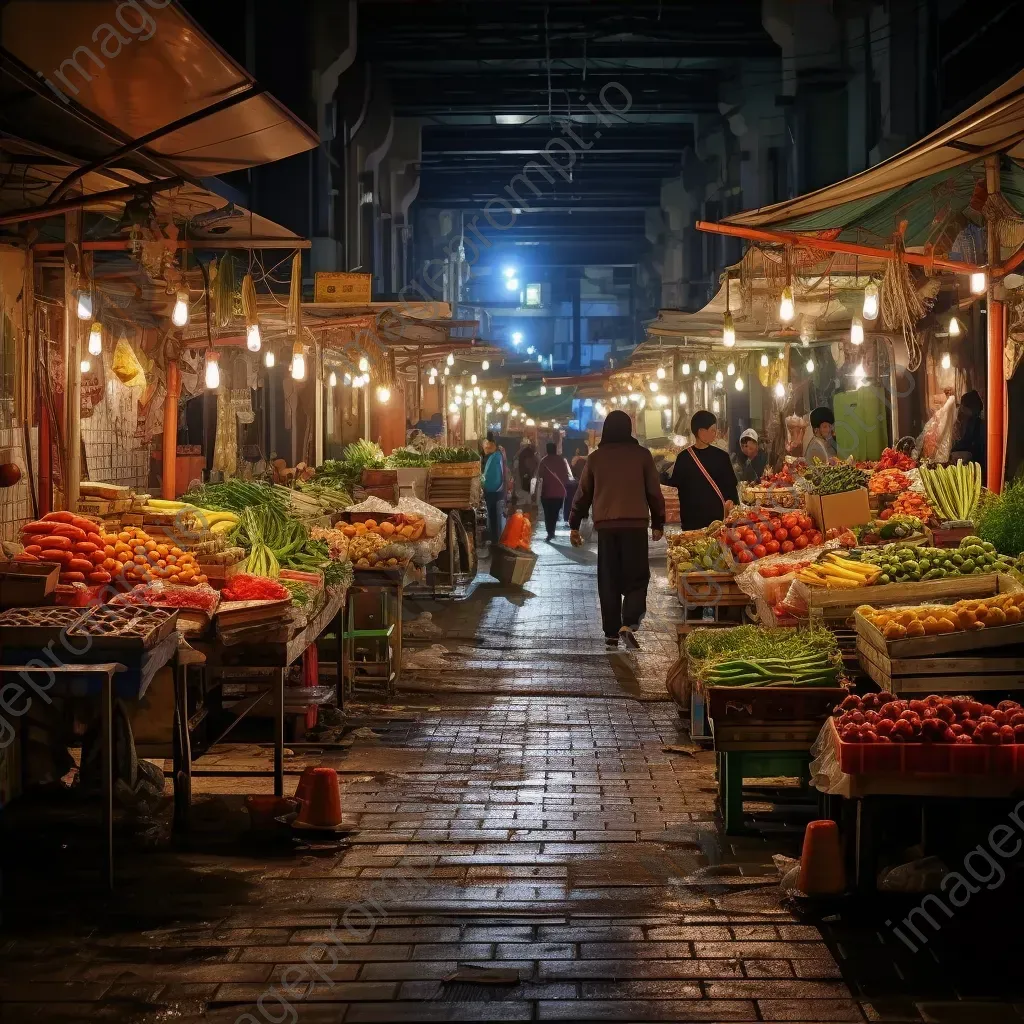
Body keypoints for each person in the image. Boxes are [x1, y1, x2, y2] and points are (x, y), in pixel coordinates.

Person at [569, 410, 665, 648]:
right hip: (635, 526)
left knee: (608, 579)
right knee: (637, 576)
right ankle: (628, 622)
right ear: (629, 429)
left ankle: (611, 632)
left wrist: (574, 523)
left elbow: (583, 494)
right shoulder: (642, 456)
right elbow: (654, 491)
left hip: (607, 527)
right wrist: (658, 522)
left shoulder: (596, 458)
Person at [666, 410, 739, 530]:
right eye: (712, 430)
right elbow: (676, 485)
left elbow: (730, 486)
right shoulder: (685, 457)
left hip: (710, 519)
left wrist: (731, 504)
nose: (715, 434)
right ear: (701, 432)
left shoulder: (684, 457)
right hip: (696, 519)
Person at [537, 442, 572, 540]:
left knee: (548, 513)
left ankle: (550, 532)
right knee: (555, 513)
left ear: (547, 450)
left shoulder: (544, 461)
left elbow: (540, 475)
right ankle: (552, 530)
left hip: (546, 493)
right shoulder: (561, 461)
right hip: (559, 493)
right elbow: (566, 475)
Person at [951, 389, 986, 476]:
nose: (961, 409)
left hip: (974, 468)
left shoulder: (978, 424)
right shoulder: (957, 420)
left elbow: (979, 450)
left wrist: (968, 454)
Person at [481, 438, 507, 544]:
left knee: (494, 516)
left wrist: (483, 484)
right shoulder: (495, 457)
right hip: (495, 491)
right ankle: (495, 538)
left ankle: (495, 539)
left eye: (488, 446)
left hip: (494, 491)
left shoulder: (496, 457)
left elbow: (494, 476)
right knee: (493, 516)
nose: (486, 448)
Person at [564, 442, 589, 521]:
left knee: (571, 503)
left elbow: (571, 472)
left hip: (574, 484)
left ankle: (569, 518)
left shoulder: (575, 459)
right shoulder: (588, 460)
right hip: (584, 485)